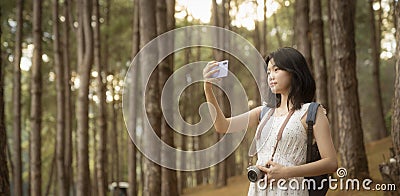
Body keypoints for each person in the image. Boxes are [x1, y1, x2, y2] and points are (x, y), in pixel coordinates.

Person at [202, 47, 338, 195]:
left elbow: (331, 163)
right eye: (268, 72)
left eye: (276, 70)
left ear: (294, 71)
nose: (271, 76)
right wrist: (208, 88)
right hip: (259, 191)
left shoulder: (311, 112)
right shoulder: (264, 112)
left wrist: (287, 172)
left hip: (291, 191)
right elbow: (222, 126)